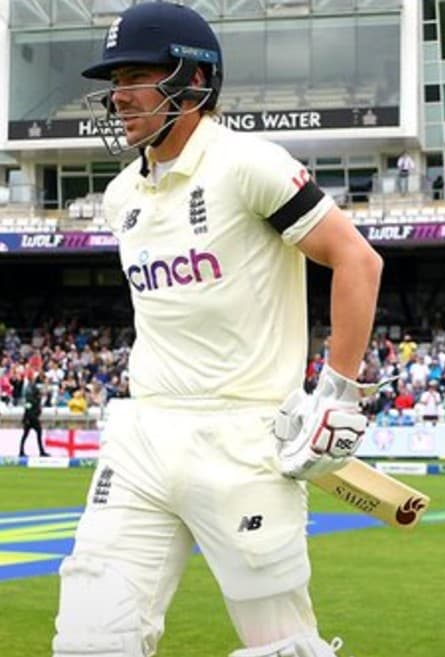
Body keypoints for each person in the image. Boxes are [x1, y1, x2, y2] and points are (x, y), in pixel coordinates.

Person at [51, 4, 385, 657]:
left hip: (241, 441)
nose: (119, 95)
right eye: (114, 78)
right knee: (90, 641)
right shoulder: (122, 196)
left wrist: (338, 395)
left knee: (283, 646)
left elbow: (358, 259)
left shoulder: (246, 164)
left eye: (138, 75)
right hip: (142, 437)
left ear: (195, 81)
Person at [20, 374, 49, 457]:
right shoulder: (31, 390)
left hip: (30, 415)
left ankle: (22, 450)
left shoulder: (29, 388)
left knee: (26, 434)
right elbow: (30, 404)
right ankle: (41, 451)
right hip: (32, 416)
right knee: (37, 432)